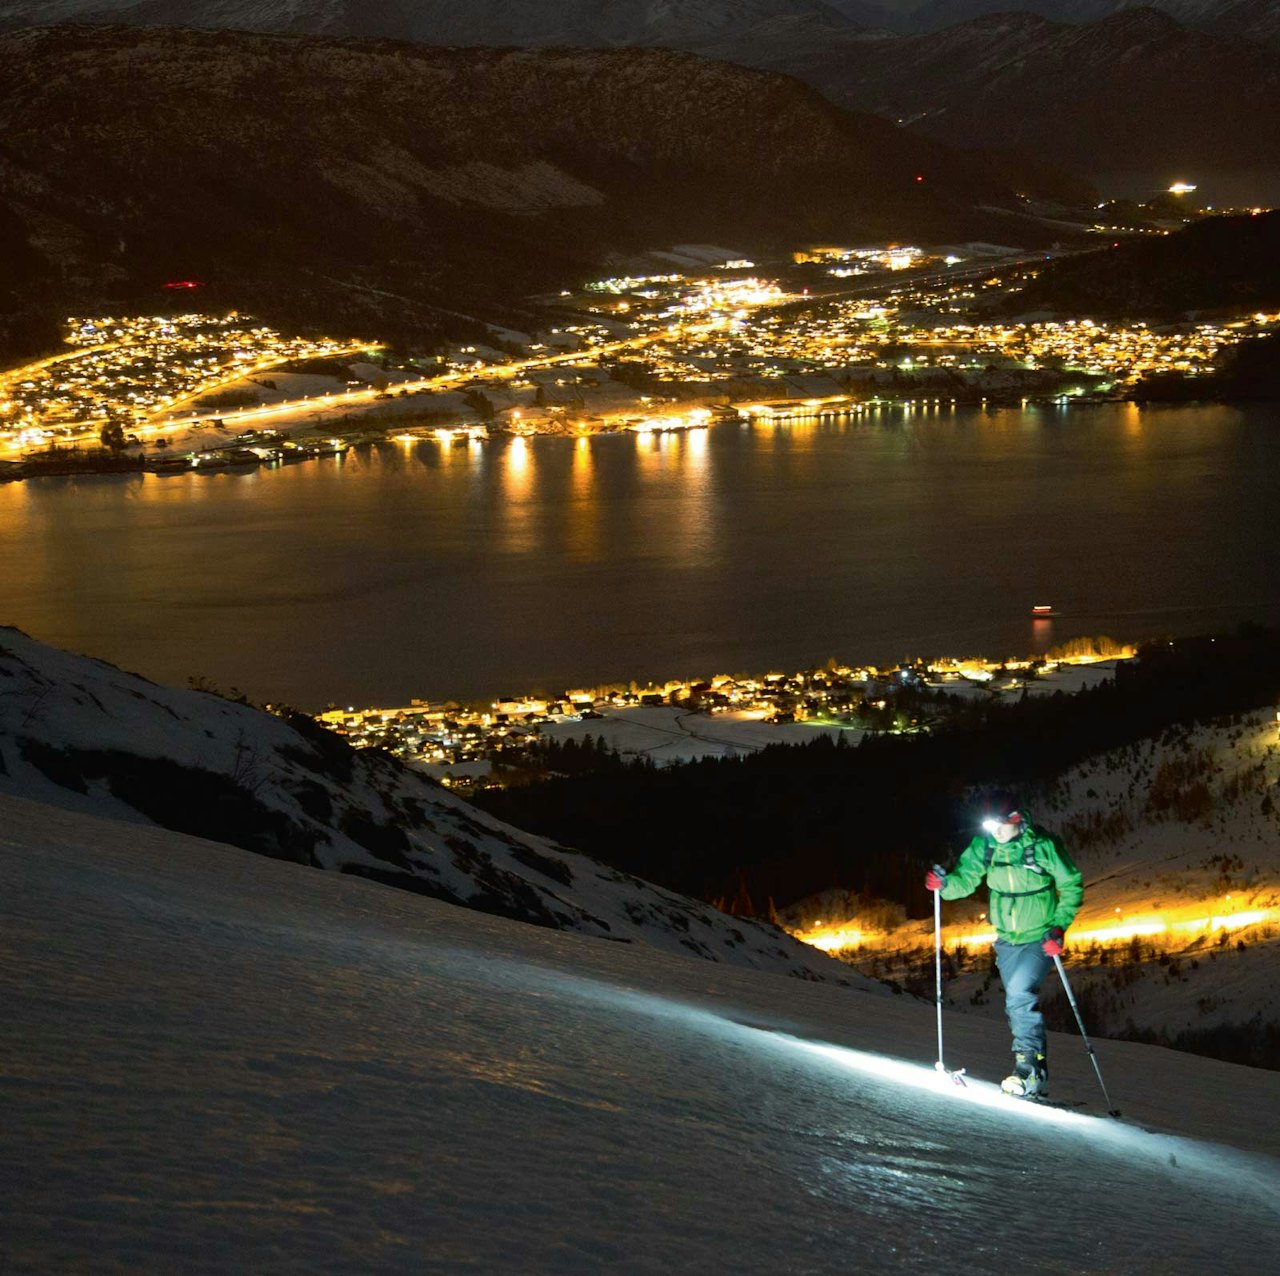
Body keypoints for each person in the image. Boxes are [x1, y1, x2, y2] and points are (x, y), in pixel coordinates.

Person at [925, 793, 1083, 1098]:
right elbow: (966, 879)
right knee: (1017, 1004)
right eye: (989, 826)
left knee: (1020, 995)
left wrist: (1059, 927)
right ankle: (1036, 1067)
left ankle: (1028, 1070)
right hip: (1007, 940)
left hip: (1040, 937)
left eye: (1000, 824)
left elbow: (1071, 884)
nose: (995, 832)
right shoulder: (986, 847)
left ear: (1015, 819)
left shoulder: (1043, 846)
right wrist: (943, 885)